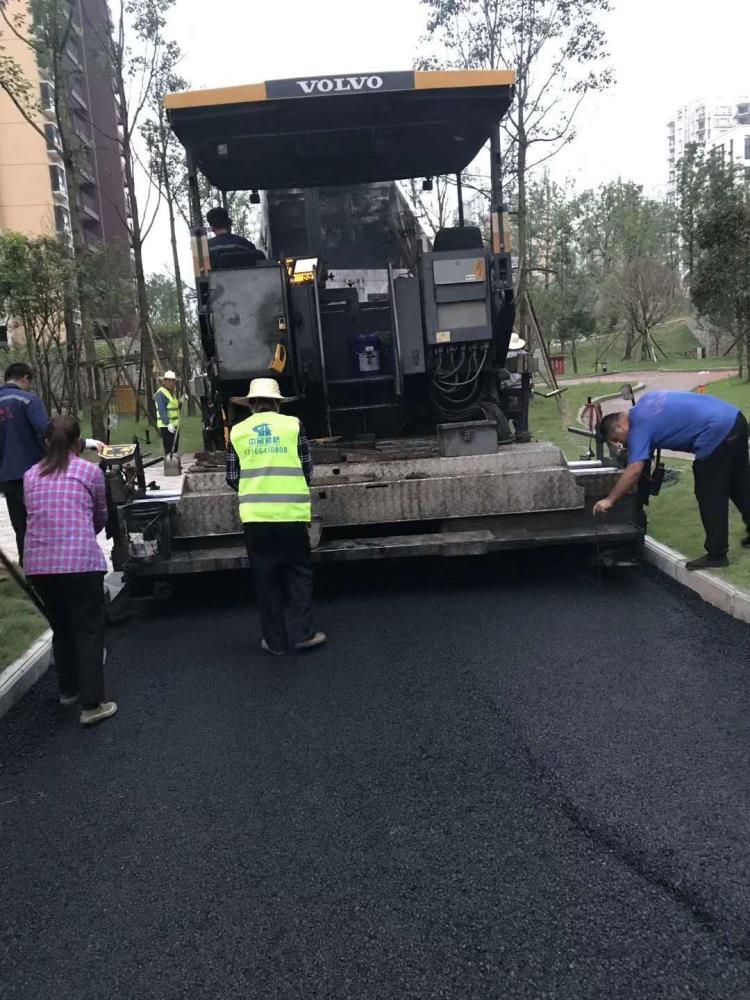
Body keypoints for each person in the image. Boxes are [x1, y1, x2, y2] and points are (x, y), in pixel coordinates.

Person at [23, 416, 117, 726]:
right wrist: (83, 534)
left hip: (39, 565)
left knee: (61, 626)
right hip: (80, 562)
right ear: (79, 442)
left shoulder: (29, 476)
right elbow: (100, 515)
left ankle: (68, 691)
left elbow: (34, 515)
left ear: (47, 442)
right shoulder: (89, 471)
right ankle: (92, 705)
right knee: (88, 629)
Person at [594, 390, 750, 571]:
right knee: (740, 483)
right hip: (735, 419)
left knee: (709, 493)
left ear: (620, 428)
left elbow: (634, 470)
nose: (622, 444)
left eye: (617, 440)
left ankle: (717, 554)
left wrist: (609, 499)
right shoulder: (646, 402)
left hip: (716, 433)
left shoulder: (638, 429)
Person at [226, 378, 326, 655]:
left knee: (266, 577)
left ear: (252, 405)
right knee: (298, 573)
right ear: (278, 403)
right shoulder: (294, 426)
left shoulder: (237, 432)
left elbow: (232, 477)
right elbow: (306, 469)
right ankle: (304, 634)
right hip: (291, 515)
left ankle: (274, 641)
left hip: (256, 518)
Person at [0, 362, 103, 563]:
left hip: (6, 476)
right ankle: (55, 563)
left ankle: (27, 567)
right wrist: (83, 443)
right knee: (43, 523)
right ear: (26, 378)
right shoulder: (28, 400)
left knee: (21, 525)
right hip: (34, 474)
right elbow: (50, 432)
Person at [155, 371, 181, 455]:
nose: (171, 383)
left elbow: (174, 405)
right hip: (167, 426)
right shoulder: (160, 393)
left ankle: (174, 464)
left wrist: (181, 401)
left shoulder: (170, 392)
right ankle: (170, 465)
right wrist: (167, 423)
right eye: (169, 381)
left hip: (175, 425)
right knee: (169, 448)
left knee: (175, 447)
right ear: (165, 381)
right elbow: (162, 410)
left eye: (173, 381)